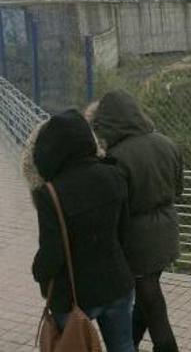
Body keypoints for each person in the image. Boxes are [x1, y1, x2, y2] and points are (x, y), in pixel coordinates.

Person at [27, 110, 135, 352]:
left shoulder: (50, 195)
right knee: (124, 346)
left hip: (75, 294)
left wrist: (38, 272)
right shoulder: (114, 173)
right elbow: (124, 234)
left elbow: (52, 254)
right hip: (117, 281)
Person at [92, 90, 184, 352]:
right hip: (167, 231)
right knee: (148, 296)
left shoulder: (115, 158)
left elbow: (117, 207)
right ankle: (129, 343)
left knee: (152, 304)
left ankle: (166, 347)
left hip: (137, 240)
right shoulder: (167, 144)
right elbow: (178, 190)